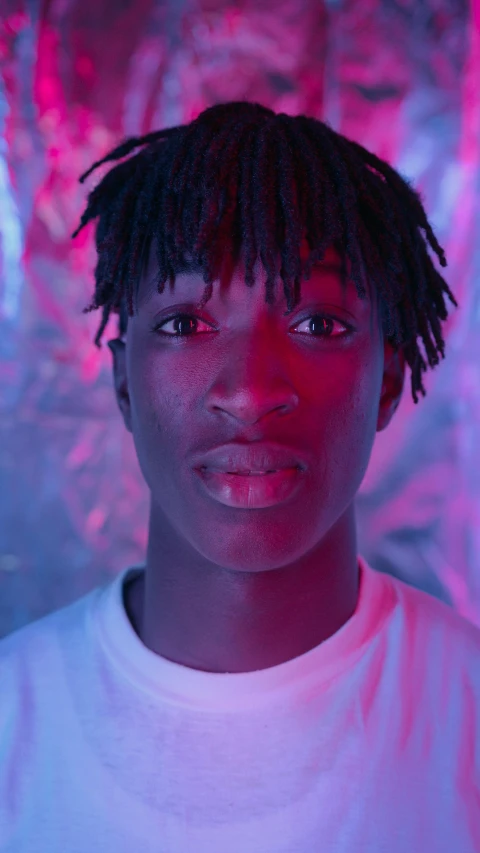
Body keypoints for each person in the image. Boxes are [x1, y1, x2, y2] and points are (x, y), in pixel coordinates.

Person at [0, 100, 478, 853]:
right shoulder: (11, 720)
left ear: (388, 381)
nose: (250, 390)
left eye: (316, 324)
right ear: (125, 384)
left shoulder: (468, 717)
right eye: (186, 323)